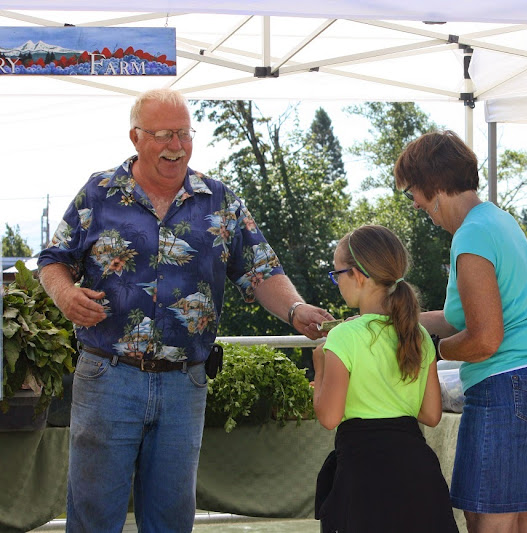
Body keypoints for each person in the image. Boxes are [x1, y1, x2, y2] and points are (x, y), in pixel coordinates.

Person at [37, 88, 333, 533]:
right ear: (135, 137)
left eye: (184, 134)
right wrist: (65, 295)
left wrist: (294, 309)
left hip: (185, 384)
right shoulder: (98, 193)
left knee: (172, 521)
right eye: (163, 135)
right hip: (108, 377)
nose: (176, 146)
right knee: (94, 517)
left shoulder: (220, 201)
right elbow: (54, 260)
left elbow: (261, 271)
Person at [394, 130, 527, 533]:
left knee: (488, 523)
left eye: (413, 191)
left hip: (512, 389)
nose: (414, 203)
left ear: (435, 185)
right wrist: (392, 321)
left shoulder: (472, 235)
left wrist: (431, 349)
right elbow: (462, 316)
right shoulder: (496, 220)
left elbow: (484, 339)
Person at [311, 224, 459, 533]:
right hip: (419, 476)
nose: (336, 281)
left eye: (337, 274)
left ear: (359, 276)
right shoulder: (417, 334)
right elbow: (430, 415)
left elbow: (329, 417)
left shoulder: (342, 337)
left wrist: (320, 366)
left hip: (364, 480)